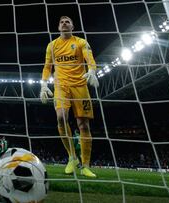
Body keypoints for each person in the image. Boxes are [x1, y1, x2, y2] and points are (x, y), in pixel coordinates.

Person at [40, 16, 99, 177]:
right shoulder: (52, 46)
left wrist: (92, 70)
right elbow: (47, 67)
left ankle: (85, 165)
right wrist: (44, 84)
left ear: (72, 26)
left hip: (80, 86)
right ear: (58, 27)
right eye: (61, 22)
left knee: (83, 125)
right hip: (61, 86)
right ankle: (72, 157)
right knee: (61, 117)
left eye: (67, 21)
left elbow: (90, 59)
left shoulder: (81, 42)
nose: (64, 23)